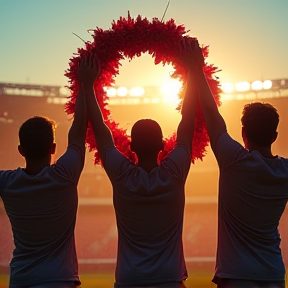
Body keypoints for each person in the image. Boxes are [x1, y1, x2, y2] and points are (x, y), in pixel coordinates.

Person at [82, 39, 200, 287]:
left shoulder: (122, 175)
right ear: (163, 146)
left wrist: (87, 84)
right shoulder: (175, 171)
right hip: (169, 279)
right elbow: (188, 119)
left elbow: (101, 131)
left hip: (129, 279)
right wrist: (192, 70)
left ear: (130, 147)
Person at [192, 43, 288, 287]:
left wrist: (196, 68)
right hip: (273, 273)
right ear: (275, 136)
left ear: (243, 133)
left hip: (236, 274)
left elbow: (211, 115)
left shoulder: (234, 159)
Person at [0, 55, 100, 288]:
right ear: (53, 148)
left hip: (22, 279)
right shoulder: (65, 174)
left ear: (20, 150)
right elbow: (79, 129)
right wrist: (85, 84)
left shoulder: (6, 183)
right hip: (60, 280)